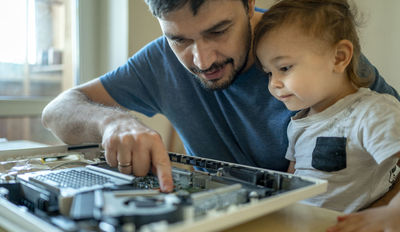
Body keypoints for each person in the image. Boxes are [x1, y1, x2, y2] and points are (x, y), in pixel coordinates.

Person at [41, 0, 398, 196]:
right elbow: (57, 111)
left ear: (249, 5)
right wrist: (112, 121)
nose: (202, 60)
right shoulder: (159, 61)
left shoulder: (308, 52)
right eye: (179, 39)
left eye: (219, 31)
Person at [253, 0, 400, 232]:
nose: (274, 83)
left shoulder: (372, 113)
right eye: (269, 72)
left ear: (339, 58)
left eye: (284, 67)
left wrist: (395, 215)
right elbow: (292, 180)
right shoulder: (299, 122)